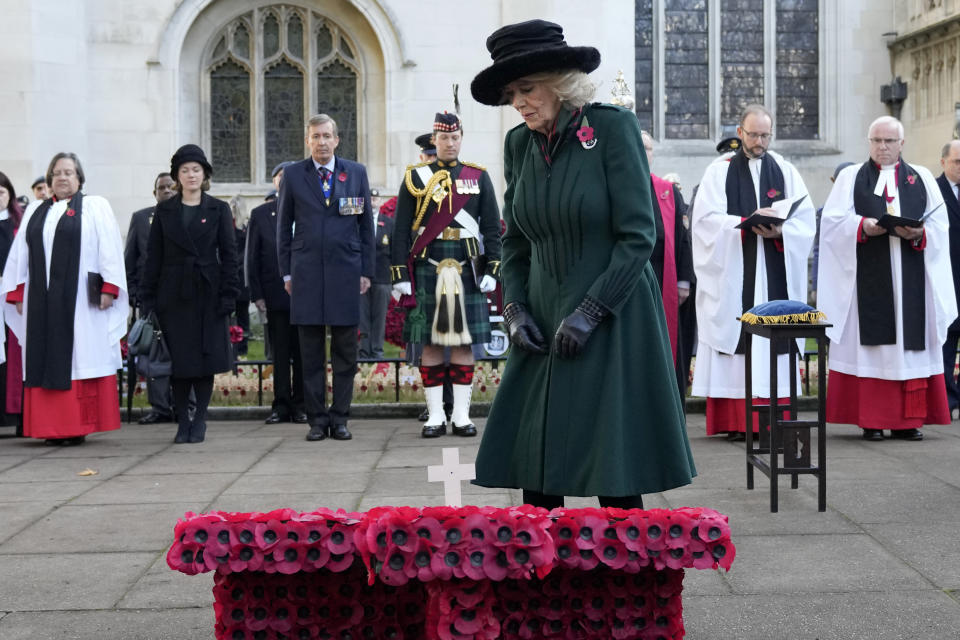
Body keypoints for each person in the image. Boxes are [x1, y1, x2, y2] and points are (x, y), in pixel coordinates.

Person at [469, 19, 695, 508]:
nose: (519, 102)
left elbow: (640, 236)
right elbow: (515, 244)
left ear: (560, 82)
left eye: (527, 89)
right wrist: (515, 310)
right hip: (544, 317)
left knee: (613, 470)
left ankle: (626, 581)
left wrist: (591, 311)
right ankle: (542, 577)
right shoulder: (518, 145)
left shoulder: (613, 128)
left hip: (614, 313)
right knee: (537, 464)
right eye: (511, 94)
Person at [818, 116, 955, 441]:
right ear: (869, 142)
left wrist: (920, 233)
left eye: (889, 141)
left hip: (912, 284)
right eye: (877, 141)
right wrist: (862, 227)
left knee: (909, 351)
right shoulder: (851, 177)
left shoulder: (921, 177)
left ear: (901, 144)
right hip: (869, 281)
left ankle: (908, 422)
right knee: (873, 352)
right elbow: (832, 224)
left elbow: (941, 227)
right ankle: (872, 420)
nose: (883, 147)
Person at [690, 104, 816, 440]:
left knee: (775, 343)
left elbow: (806, 222)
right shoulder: (720, 171)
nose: (759, 141)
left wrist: (782, 232)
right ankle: (736, 422)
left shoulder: (786, 171)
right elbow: (704, 223)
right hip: (736, 271)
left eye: (765, 135)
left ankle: (775, 418)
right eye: (753, 134)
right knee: (739, 340)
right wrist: (743, 224)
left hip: (776, 270)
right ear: (740, 132)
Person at [2, 152, 128, 445]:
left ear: (79, 178)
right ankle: (49, 428)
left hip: (82, 303)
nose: (62, 177)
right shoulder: (35, 211)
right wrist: (18, 292)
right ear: (49, 179)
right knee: (44, 355)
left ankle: (75, 427)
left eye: (68, 172)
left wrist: (109, 288)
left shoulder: (95, 208)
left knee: (78, 357)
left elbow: (109, 247)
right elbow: (21, 256)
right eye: (56, 173)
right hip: (41, 301)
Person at [391, 112, 502, 438]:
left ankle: (463, 417)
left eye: (455, 138)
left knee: (466, 344)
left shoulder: (477, 177)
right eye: (444, 138)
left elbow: (492, 228)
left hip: (467, 267)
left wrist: (493, 268)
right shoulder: (416, 177)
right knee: (430, 343)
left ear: (461, 138)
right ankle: (436, 416)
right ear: (434, 141)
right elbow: (400, 231)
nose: (450, 143)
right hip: (428, 266)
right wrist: (400, 274)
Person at [277, 114, 375, 442]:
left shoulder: (355, 173)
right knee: (310, 352)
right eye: (316, 136)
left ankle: (341, 418)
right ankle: (317, 420)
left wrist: (366, 271)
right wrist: (286, 272)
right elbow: (283, 228)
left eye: (327, 136)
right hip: (306, 275)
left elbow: (365, 227)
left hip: (346, 273)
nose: (322, 142)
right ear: (308, 141)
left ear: (337, 139)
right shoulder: (293, 175)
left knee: (346, 351)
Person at [140, 144, 239, 444]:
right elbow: (153, 256)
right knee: (180, 364)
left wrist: (228, 295)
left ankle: (200, 420)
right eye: (185, 170)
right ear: (176, 177)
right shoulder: (165, 211)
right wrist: (148, 297)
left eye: (196, 169)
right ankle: (183, 420)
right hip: (174, 295)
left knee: (204, 361)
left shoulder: (218, 209)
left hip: (208, 294)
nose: (191, 175)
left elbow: (230, 256)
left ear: (204, 174)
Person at [246, 161, 307, 425]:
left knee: (305, 353)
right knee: (280, 354)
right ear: (274, 181)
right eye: (281, 176)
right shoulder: (261, 214)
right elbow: (252, 258)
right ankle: (280, 405)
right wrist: (257, 295)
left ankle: (302, 405)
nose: (285, 180)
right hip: (275, 295)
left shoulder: (309, 207)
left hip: (307, 295)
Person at [640, 130, 695, 399]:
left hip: (664, 279)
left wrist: (683, 281)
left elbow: (683, 239)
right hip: (626, 284)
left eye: (648, 148)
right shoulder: (611, 186)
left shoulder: (668, 192)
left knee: (666, 347)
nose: (643, 152)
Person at [124, 172, 179, 425]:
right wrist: (134, 293)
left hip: (181, 299)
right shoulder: (141, 218)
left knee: (182, 353)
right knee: (154, 354)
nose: (166, 191)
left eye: (170, 187)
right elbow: (130, 261)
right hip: (151, 301)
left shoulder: (185, 215)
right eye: (161, 188)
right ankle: (160, 407)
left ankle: (184, 406)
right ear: (154, 192)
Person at [936, 140, 960, 418]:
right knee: (947, 342)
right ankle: (947, 399)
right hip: (947, 280)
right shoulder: (933, 190)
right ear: (943, 162)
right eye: (957, 162)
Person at [0, 171, 23, 430]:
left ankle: (14, 415)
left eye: (1, 192)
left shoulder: (19, 224)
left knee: (13, 357)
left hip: (12, 298)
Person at [359, 189, 393, 361]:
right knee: (362, 317)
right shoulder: (357, 222)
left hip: (383, 277)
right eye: (370, 198)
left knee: (379, 317)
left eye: (375, 198)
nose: (372, 201)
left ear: (380, 202)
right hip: (360, 277)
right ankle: (363, 352)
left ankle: (377, 351)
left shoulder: (389, 223)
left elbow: (394, 250)